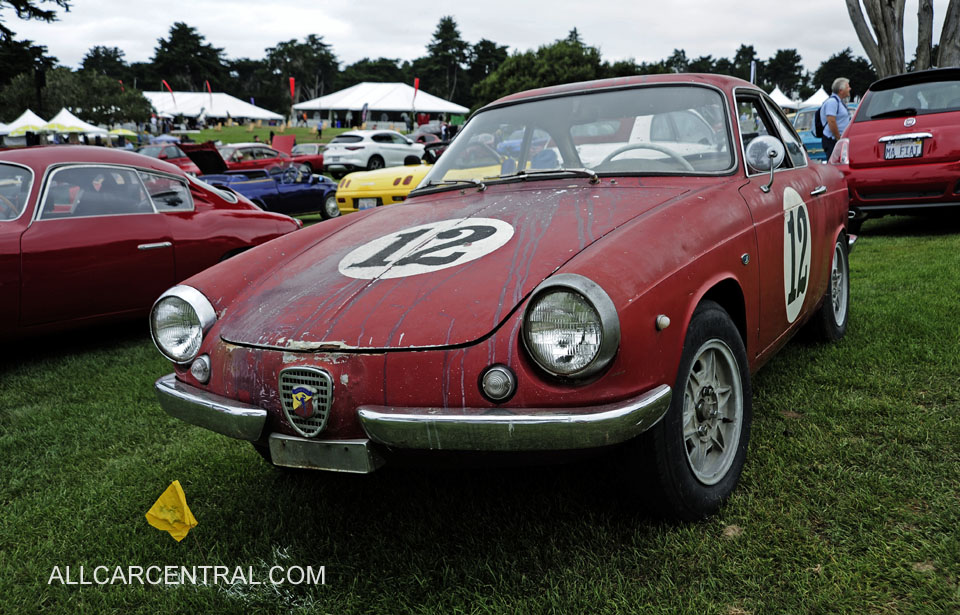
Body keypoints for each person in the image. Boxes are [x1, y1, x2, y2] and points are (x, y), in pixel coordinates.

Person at [820, 77, 852, 159]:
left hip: (836, 139)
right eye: (848, 87)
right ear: (841, 90)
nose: (850, 89)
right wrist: (839, 139)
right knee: (834, 166)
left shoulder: (839, 102)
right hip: (832, 140)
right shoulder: (832, 102)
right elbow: (831, 122)